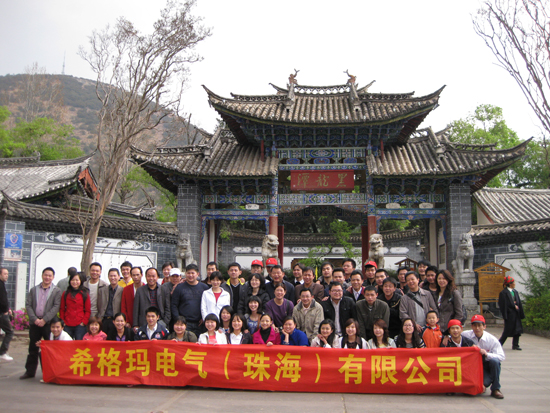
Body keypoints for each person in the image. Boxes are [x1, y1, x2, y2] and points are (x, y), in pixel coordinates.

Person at [19, 267, 62, 378]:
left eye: (50, 275)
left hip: (48, 324)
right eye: (45, 275)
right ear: (42, 275)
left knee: (48, 349)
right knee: (33, 348)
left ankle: (48, 372)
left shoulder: (56, 291)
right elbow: (28, 305)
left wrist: (44, 320)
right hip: (35, 323)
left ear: (53, 277)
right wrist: (35, 319)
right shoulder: (34, 289)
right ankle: (29, 372)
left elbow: (56, 306)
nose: (47, 277)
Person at [463, 315, 505, 399]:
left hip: (486, 365)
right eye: (475, 325)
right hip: (472, 367)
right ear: (472, 326)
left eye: (479, 325)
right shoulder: (465, 335)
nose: (477, 328)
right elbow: (454, 335)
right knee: (474, 388)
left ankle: (496, 389)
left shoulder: (491, 339)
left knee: (495, 361)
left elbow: (501, 356)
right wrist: (446, 337)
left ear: (484, 326)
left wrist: (487, 354)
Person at [171, 264, 209, 336]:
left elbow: (208, 305)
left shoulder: (204, 287)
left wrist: (204, 318)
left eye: (192, 273)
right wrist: (178, 320)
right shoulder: (179, 287)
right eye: (188, 273)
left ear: (197, 274)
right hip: (184, 324)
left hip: (200, 323)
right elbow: (174, 305)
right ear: (185, 274)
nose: (190, 275)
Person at [60, 271, 91, 340]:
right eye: (73, 280)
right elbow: (62, 309)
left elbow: (88, 310)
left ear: (80, 281)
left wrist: (84, 322)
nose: (75, 282)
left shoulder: (85, 293)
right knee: (67, 343)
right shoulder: (65, 293)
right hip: (67, 323)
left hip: (80, 324)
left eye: (77, 280)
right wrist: (63, 321)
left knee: (79, 344)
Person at [498, 276, 525, 350]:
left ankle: (515, 345)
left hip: (516, 314)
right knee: (507, 331)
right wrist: (513, 305)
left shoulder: (515, 292)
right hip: (510, 314)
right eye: (513, 282)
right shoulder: (503, 293)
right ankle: (499, 344)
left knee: (517, 330)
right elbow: (503, 304)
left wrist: (520, 312)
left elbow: (519, 302)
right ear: (510, 284)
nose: (514, 284)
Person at [160, 267, 183, 332]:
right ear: (169, 277)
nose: (175, 278)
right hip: (168, 315)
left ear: (180, 277)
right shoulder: (164, 287)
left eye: (177, 276)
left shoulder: (183, 286)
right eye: (173, 276)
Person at [103, 268, 123, 334]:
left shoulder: (122, 290)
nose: (113, 278)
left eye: (114, 276)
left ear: (119, 277)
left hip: (116, 320)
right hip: (104, 319)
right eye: (111, 276)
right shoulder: (102, 290)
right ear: (108, 277)